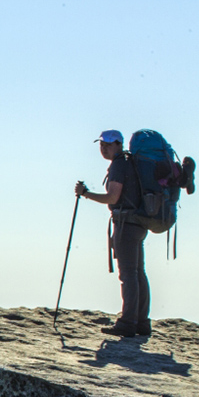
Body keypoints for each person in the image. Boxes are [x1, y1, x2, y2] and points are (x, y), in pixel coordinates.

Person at [75, 129, 151, 337]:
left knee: (128, 275)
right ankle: (142, 323)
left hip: (126, 224)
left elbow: (113, 198)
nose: (103, 148)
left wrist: (86, 194)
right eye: (101, 144)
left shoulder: (119, 164)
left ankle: (128, 323)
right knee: (138, 273)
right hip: (138, 223)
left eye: (108, 144)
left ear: (119, 144)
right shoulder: (130, 162)